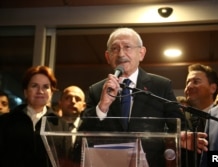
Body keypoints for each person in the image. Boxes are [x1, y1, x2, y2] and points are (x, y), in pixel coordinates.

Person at [80, 27, 208, 167]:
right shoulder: (97, 90)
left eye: (127, 47)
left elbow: (179, 125)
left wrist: (181, 135)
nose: (121, 53)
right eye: (115, 49)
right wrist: (102, 106)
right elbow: (83, 133)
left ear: (141, 53)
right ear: (107, 56)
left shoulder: (160, 86)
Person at [0, 66, 67, 167]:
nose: (40, 91)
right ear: (25, 92)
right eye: (34, 85)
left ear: (51, 93)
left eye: (46, 87)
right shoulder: (6, 121)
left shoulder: (61, 124)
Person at [183, 63, 218, 167]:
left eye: (196, 82)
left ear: (212, 88)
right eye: (187, 82)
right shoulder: (180, 119)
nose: (189, 86)